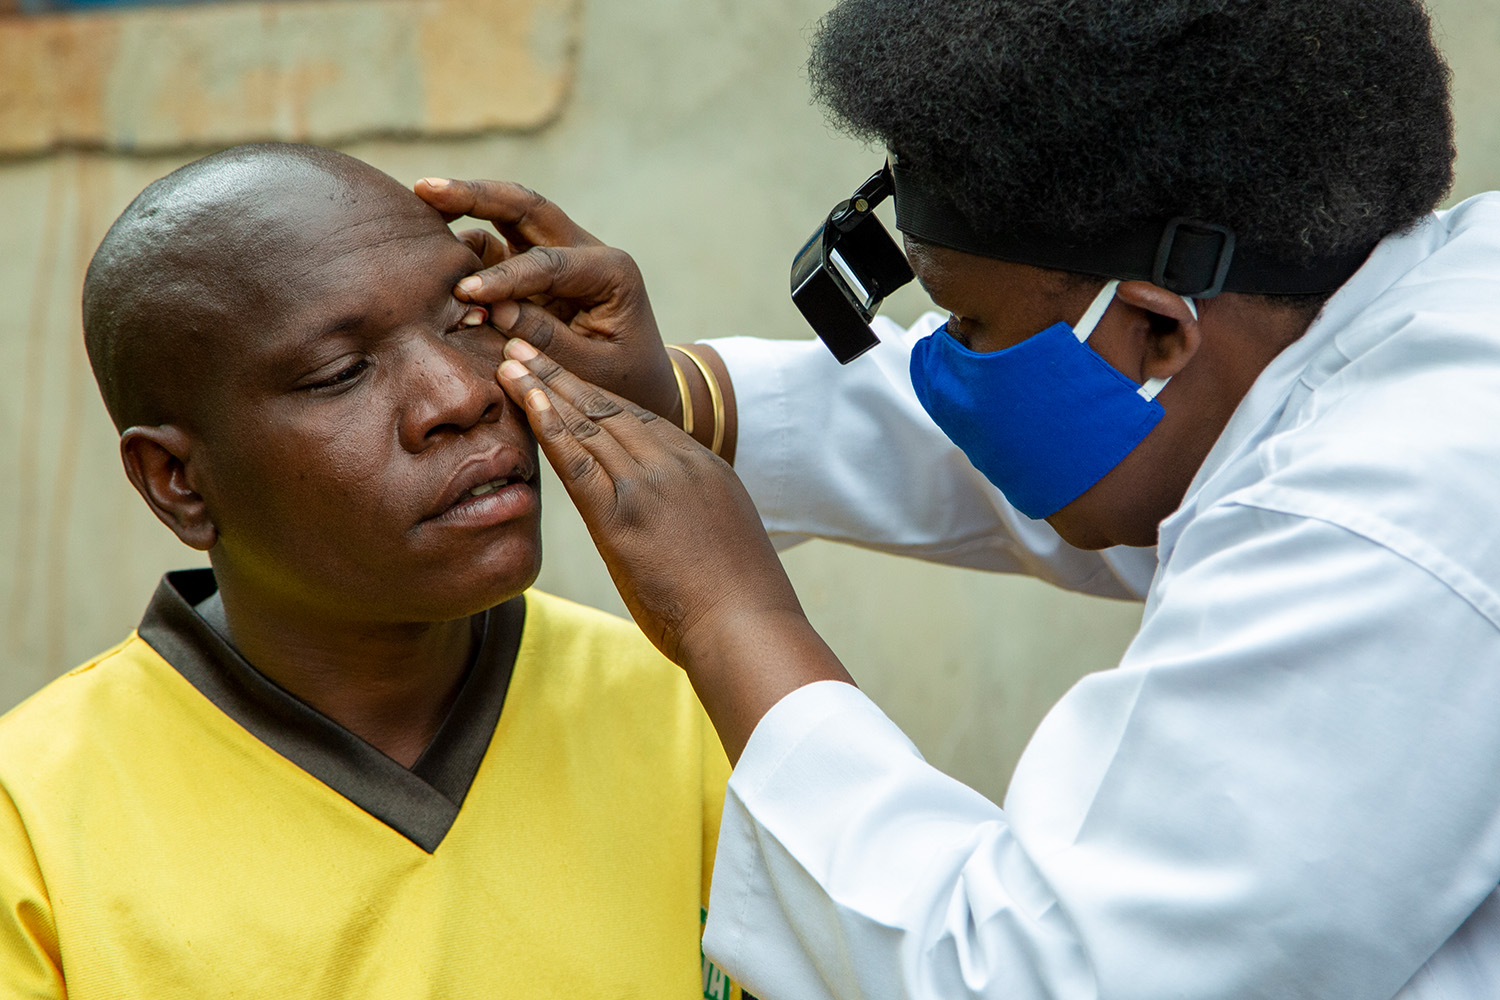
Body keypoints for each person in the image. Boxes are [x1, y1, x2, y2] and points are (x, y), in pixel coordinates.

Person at [418, 0, 1500, 997]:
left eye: (966, 327)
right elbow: (1089, 427)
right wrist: (681, 399)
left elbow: (1033, 973)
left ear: (1163, 328)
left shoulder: (1377, 536)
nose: (942, 366)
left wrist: (731, 618)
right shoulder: (1410, 312)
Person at [0, 143, 746, 999]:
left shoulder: (691, 702)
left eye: (466, 319)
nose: (462, 398)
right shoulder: (31, 823)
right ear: (180, 483)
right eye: (342, 372)